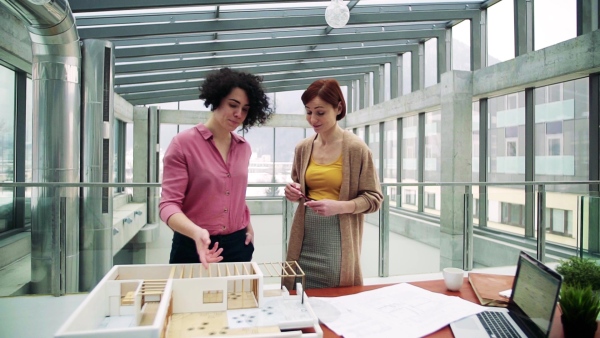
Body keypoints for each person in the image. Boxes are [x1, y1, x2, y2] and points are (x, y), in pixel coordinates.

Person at [159, 67, 273, 268]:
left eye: (245, 109)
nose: (238, 114)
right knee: (189, 299)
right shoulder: (183, 144)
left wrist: (247, 225)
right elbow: (168, 205)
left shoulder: (243, 148)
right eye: (233, 105)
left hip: (238, 245)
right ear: (217, 99)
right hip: (193, 244)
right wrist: (196, 232)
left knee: (238, 299)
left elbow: (233, 195)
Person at [284, 78, 383, 289]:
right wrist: (292, 191)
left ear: (338, 108)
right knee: (296, 294)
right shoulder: (302, 148)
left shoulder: (356, 149)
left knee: (336, 300)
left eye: (320, 112)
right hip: (303, 237)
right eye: (308, 112)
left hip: (337, 241)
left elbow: (374, 199)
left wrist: (339, 206)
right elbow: (296, 185)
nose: (313, 119)